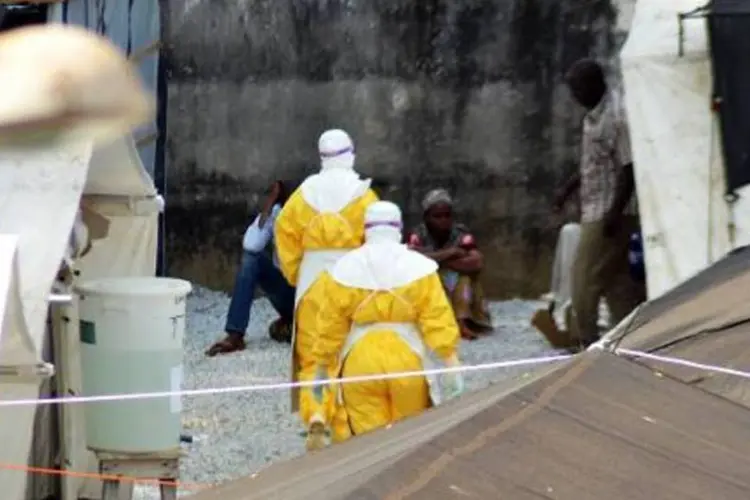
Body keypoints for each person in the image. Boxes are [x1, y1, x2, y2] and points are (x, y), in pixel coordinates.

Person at [306, 201, 464, 450]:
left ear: (365, 228)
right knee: (409, 442)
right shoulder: (419, 268)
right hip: (407, 359)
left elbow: (329, 327)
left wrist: (321, 372)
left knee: (369, 446)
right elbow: (438, 318)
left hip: (360, 361)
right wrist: (451, 363)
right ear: (398, 227)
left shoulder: (345, 269)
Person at [273, 129, 379, 446]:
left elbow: (284, 231)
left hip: (312, 280)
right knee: (347, 348)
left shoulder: (304, 194)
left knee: (312, 353)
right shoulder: (363, 195)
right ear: (350, 153)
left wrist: (295, 272)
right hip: (351, 278)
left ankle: (316, 412)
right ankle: (346, 415)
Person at [553, 58, 646, 351]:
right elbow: (594, 164)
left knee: (582, 280)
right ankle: (630, 342)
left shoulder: (617, 117)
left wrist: (614, 213)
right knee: (618, 284)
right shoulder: (592, 116)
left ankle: (587, 342)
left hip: (610, 211)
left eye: (578, 88)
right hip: (597, 207)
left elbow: (629, 168)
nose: (574, 95)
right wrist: (568, 190)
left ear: (595, 83)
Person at [205, 180, 296, 356]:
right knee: (252, 260)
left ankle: (294, 326)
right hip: (289, 292)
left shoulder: (320, 215)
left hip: (315, 297)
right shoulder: (278, 214)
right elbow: (251, 244)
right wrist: (270, 205)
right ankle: (235, 334)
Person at [407, 189, 493, 340]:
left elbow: (476, 262)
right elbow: (411, 260)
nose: (443, 220)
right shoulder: (418, 234)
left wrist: (435, 260)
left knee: (463, 279)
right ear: (426, 217)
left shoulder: (460, 233)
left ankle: (462, 323)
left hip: (456, 283)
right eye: (437, 216)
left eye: (447, 216)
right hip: (430, 282)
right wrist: (452, 252)